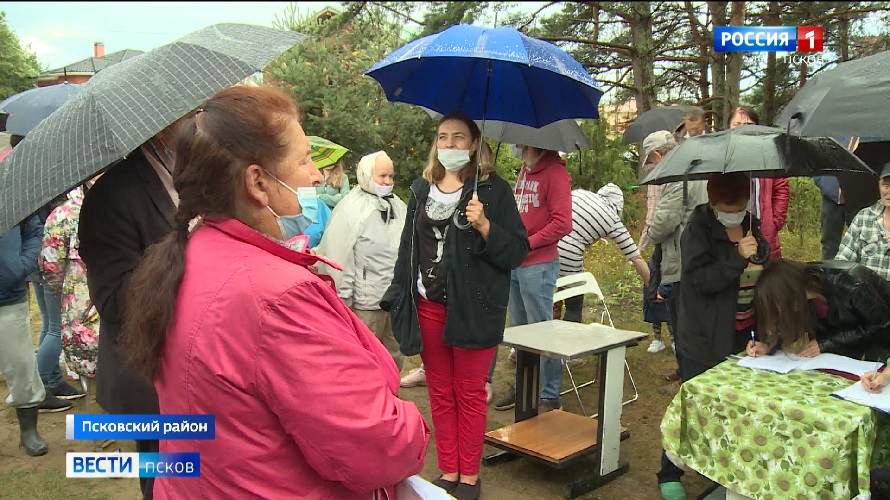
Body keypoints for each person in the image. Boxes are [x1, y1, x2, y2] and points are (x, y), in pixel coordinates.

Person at [123, 86, 430, 498]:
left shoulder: (189, 256)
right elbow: (378, 445)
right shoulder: (274, 296)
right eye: (304, 161)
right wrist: (412, 424)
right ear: (257, 182)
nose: (317, 175)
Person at [381, 112, 529, 500]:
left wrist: (485, 227)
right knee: (441, 393)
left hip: (474, 310)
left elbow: (516, 251)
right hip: (428, 307)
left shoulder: (492, 191)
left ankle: (469, 474)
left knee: (469, 392)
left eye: (458, 138)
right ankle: (448, 469)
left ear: (475, 144)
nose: (449, 145)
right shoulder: (420, 189)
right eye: (443, 137)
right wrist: (399, 294)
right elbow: (407, 249)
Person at [79, 110, 188, 500]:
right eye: (192, 114)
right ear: (162, 125)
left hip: (194, 372)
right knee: (164, 482)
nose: (199, 122)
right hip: (150, 379)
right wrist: (187, 253)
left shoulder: (188, 174)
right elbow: (115, 303)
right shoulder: (112, 195)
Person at [657, 172, 770, 500]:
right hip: (704, 335)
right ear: (712, 202)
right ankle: (669, 471)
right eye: (727, 207)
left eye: (739, 206)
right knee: (694, 406)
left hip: (742, 333)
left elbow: (763, 261)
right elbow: (701, 281)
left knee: (737, 410)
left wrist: (755, 251)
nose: (734, 212)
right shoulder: (697, 230)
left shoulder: (751, 223)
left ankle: (728, 471)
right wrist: (736, 257)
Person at [492, 141, 572, 414]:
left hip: (538, 265)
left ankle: (549, 395)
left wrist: (528, 242)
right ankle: (523, 387)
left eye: (522, 143)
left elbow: (563, 222)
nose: (517, 146)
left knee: (542, 330)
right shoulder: (525, 170)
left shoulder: (556, 174)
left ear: (533, 144)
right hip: (515, 262)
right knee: (520, 331)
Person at [316, 150, 407, 371]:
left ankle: (392, 396)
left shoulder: (398, 206)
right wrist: (343, 299)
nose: (388, 181)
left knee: (395, 353)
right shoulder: (351, 208)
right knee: (368, 357)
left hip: (396, 297)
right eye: (382, 176)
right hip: (366, 302)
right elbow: (339, 255)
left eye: (391, 176)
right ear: (367, 174)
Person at [643, 131, 708, 385]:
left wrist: (650, 231)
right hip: (697, 255)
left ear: (659, 154)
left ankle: (688, 379)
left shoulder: (677, 176)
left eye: (651, 161)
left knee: (684, 324)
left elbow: (663, 223)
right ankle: (684, 370)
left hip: (682, 259)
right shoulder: (696, 167)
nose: (653, 167)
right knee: (686, 321)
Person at [749, 259, 890, 363]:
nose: (780, 311)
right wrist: (769, 346)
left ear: (790, 291)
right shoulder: (802, 293)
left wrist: (825, 343)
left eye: (780, 304)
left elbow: (882, 325)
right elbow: (792, 321)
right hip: (845, 348)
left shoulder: (852, 285)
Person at [555, 183, 650, 324]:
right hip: (570, 253)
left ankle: (543, 333)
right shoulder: (612, 219)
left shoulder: (580, 193)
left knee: (550, 296)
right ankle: (570, 339)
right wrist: (652, 286)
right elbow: (636, 257)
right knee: (574, 301)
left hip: (546, 247)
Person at [40, 182, 101, 393]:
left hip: (81, 304)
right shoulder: (125, 201)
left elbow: (51, 265)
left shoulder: (63, 214)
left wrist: (60, 288)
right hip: (98, 301)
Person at [0, 214, 51, 456]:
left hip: (7, 296)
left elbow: (34, 230)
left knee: (21, 364)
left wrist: (22, 264)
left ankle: (29, 430)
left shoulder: (9, 193)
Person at [727, 105, 789, 259]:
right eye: (737, 124)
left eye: (748, 125)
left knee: (766, 274)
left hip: (764, 226)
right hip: (731, 227)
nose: (743, 129)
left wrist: (775, 221)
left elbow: (781, 187)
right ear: (729, 127)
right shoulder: (723, 157)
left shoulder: (769, 154)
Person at [835, 163, 890, 282]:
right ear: (879, 185)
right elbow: (842, 261)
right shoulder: (864, 217)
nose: (889, 191)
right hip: (866, 294)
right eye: (886, 185)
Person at [813, 175, 853, 260]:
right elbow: (816, 165)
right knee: (829, 244)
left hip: (858, 198)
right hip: (831, 199)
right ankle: (827, 272)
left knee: (861, 241)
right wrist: (824, 183)